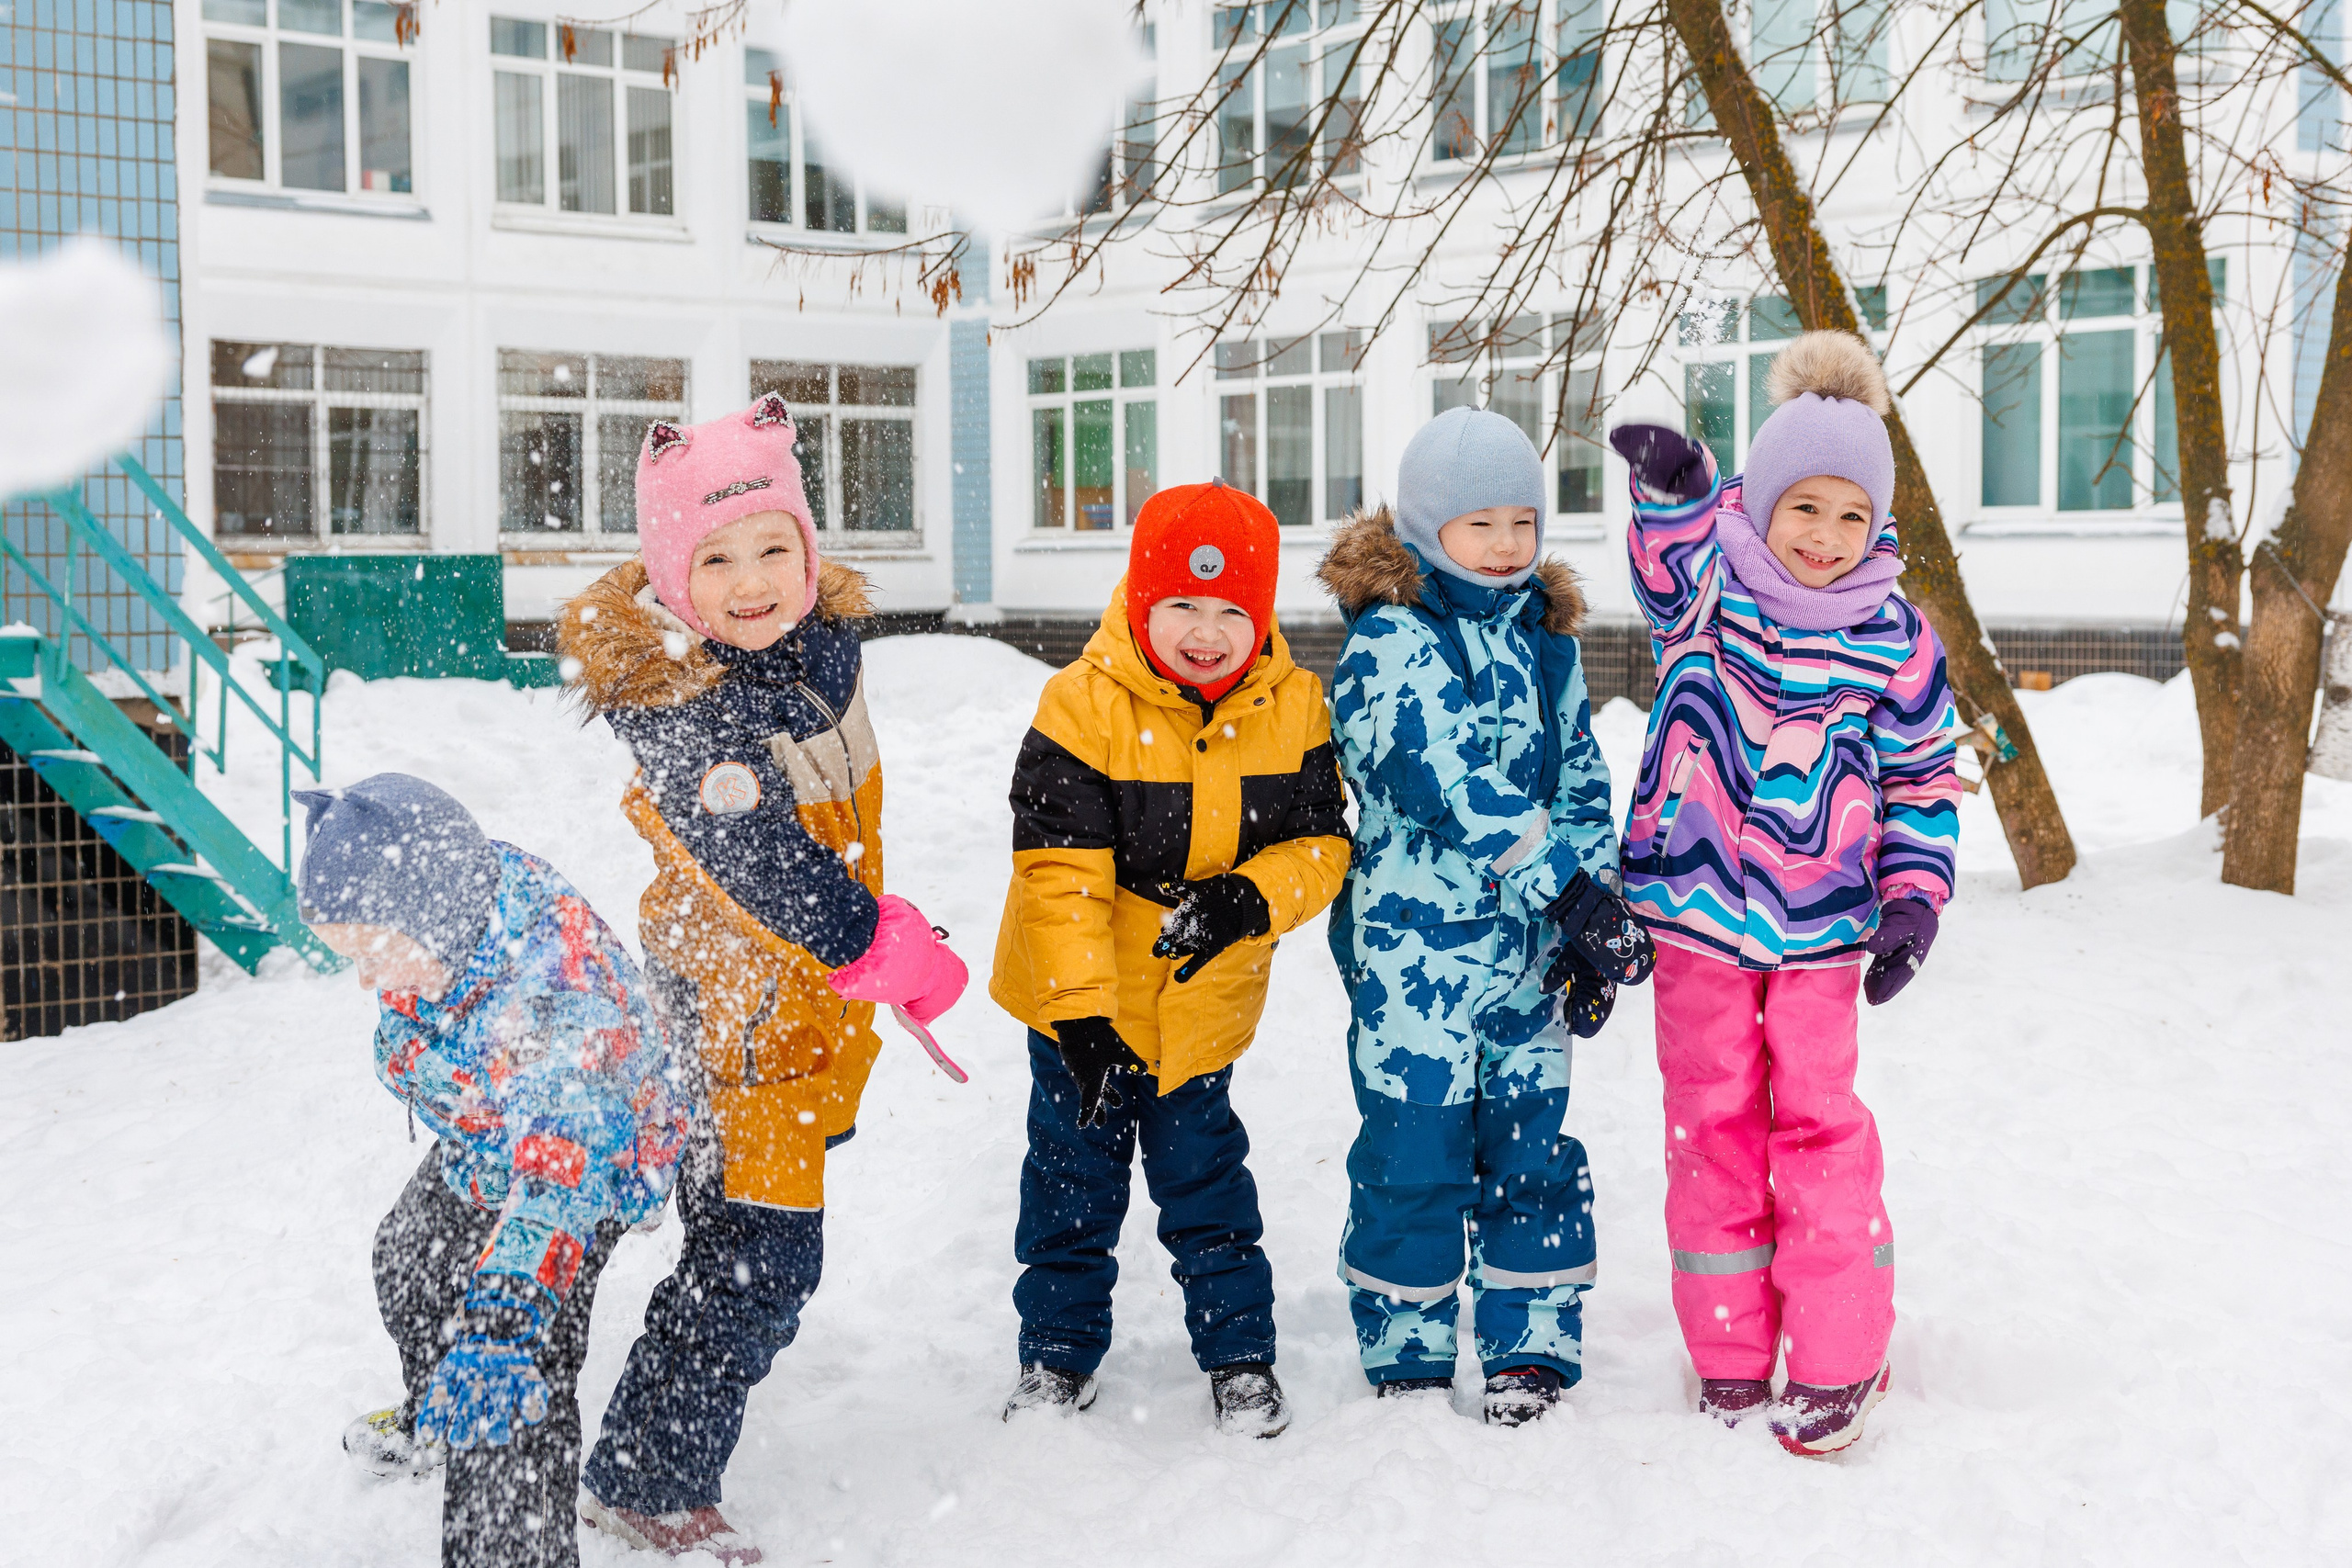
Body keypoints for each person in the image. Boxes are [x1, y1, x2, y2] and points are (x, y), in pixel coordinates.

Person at [560, 393, 965, 1563]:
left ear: (808, 548)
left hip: (796, 1017)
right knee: (760, 1260)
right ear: (668, 576)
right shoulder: (685, 705)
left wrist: (869, 931)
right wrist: (870, 941)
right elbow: (760, 860)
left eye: (774, 547)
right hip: (739, 1029)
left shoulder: (809, 657)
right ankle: (646, 1475)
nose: (751, 580)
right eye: (716, 556)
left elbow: (829, 834)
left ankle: (649, 1441)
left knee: (744, 1249)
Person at [1608, 329, 1960, 1456]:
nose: (1825, 536)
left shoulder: (1896, 640)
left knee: (1818, 1129)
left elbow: (1919, 777)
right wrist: (1676, 494)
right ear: (1760, 501)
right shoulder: (1709, 598)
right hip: (1694, 922)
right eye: (1804, 507)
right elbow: (1664, 563)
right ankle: (1724, 1348)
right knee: (1708, 1127)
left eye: (1851, 515)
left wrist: (1912, 896)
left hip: (1819, 933)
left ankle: (1840, 1357)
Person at [990, 479, 1349, 1438]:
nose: (1206, 630)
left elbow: (1322, 844)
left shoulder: (1297, 707)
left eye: (1233, 609)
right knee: (1072, 1187)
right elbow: (1058, 874)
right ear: (1141, 601)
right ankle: (1056, 1358)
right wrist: (1078, 1018)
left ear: (1261, 615)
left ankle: (1239, 1356)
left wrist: (1246, 897)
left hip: (1200, 1007)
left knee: (1207, 1189)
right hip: (1082, 1009)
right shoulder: (1080, 705)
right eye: (1181, 604)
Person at [1317, 406, 1650, 1426]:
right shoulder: (1389, 643)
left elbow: (1580, 783)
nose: (1507, 546)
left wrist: (1590, 915)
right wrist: (1569, 889)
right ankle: (1409, 1343)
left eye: (1522, 521)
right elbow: (1455, 786)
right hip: (1414, 956)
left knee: (1532, 1152)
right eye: (1480, 525)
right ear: (1424, 530)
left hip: (1526, 963)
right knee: (1412, 1153)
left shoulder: (1544, 640)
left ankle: (1530, 1340)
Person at [317, 773, 688, 1568]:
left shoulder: (552, 1004)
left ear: (426, 917)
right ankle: (440, 1406)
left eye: (373, 953)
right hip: (493, 1132)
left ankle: (510, 1544)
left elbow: (555, 1185)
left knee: (515, 1390)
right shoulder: (450, 900)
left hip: (586, 1168)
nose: (366, 981)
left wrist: (505, 1324)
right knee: (410, 1259)